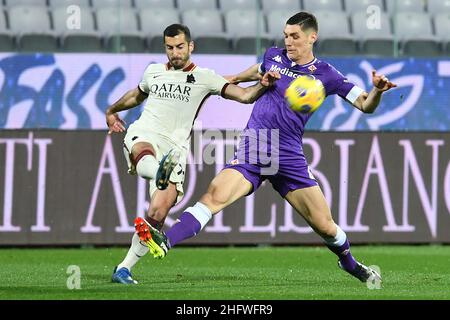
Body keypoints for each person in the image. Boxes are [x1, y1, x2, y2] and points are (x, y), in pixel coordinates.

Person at [135, 12, 397, 284]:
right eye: (286, 35)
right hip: (256, 145)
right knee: (214, 195)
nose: (288, 41)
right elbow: (248, 73)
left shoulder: (327, 75)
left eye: (295, 36)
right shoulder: (274, 56)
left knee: (325, 227)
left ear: (312, 37)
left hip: (289, 154)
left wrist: (377, 90)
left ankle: (350, 264)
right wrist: (222, 82)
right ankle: (166, 241)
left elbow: (365, 105)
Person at [108, 23, 280, 284]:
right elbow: (136, 96)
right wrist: (112, 111)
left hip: (174, 150)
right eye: (169, 48)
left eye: (179, 47)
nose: (174, 53)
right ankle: (158, 172)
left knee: (157, 212)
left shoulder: (205, 77)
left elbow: (244, 96)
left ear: (190, 46)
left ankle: (124, 268)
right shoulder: (153, 72)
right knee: (143, 150)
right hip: (145, 134)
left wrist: (263, 84)